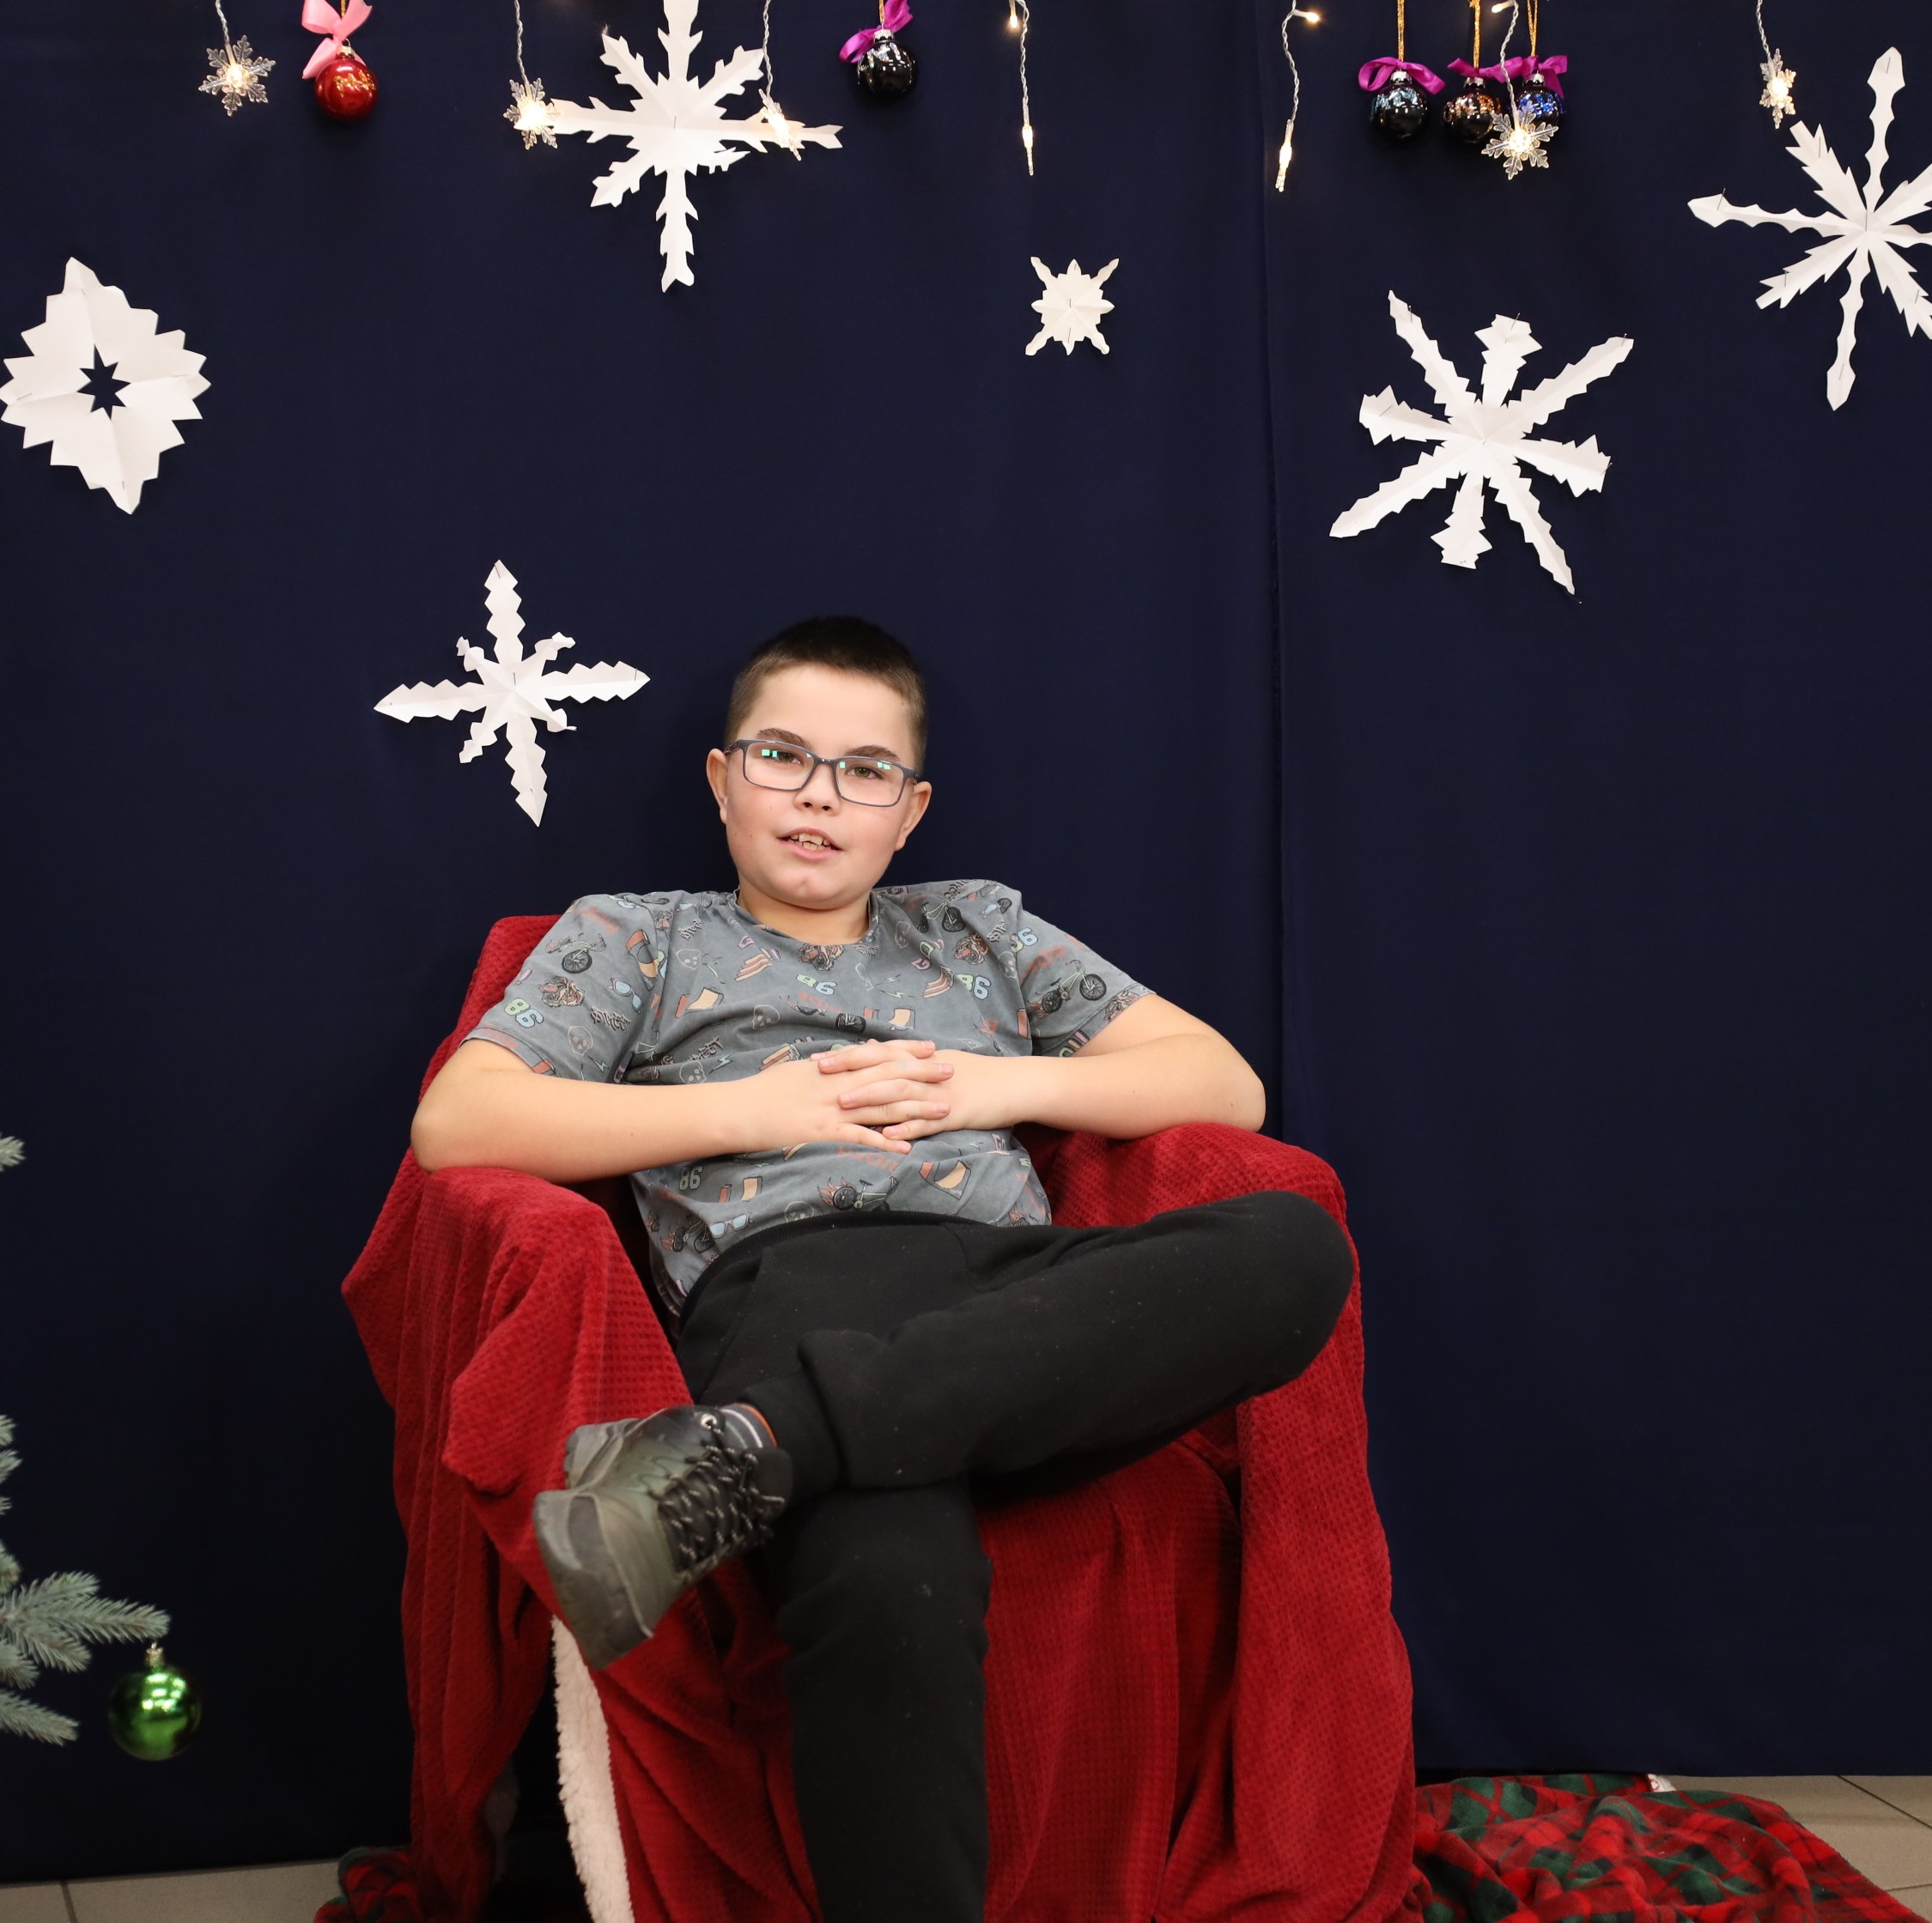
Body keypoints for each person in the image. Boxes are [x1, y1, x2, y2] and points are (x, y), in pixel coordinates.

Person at [409, 616, 1355, 1923]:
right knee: (885, 1576)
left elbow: (1224, 1083)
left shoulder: (978, 927)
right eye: (782, 756)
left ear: (908, 812)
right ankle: (790, 1437)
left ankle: (754, 1453)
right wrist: (756, 1110)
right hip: (795, 1292)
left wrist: (993, 1084)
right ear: (722, 779)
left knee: (1294, 1247)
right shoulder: (637, 936)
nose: (818, 795)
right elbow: (460, 1122)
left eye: (864, 772)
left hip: (1019, 1299)